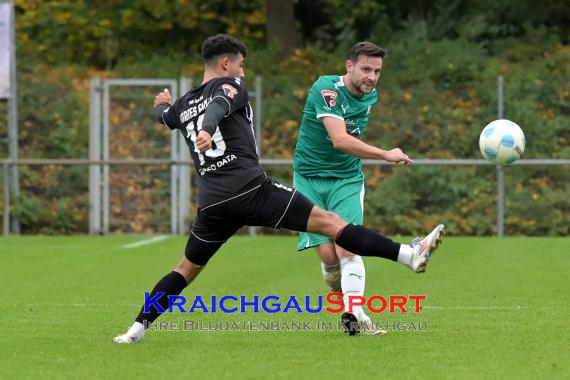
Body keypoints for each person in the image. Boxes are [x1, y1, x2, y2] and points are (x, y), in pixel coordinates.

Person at [113, 34, 445, 344]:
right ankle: (408, 254)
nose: (242, 72)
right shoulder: (231, 85)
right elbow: (218, 104)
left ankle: (135, 330)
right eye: (241, 65)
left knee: (185, 270)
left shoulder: (184, 104)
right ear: (226, 65)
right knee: (333, 224)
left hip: (213, 203)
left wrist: (161, 105)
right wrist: (209, 127)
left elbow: (166, 117)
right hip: (251, 190)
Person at [293, 41, 432, 335]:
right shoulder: (326, 89)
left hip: (346, 178)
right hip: (309, 178)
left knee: (347, 247)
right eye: (366, 69)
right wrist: (385, 154)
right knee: (329, 259)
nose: (372, 76)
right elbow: (340, 140)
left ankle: (355, 315)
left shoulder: (370, 95)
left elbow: (346, 148)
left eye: (377, 71)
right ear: (349, 66)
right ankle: (348, 300)